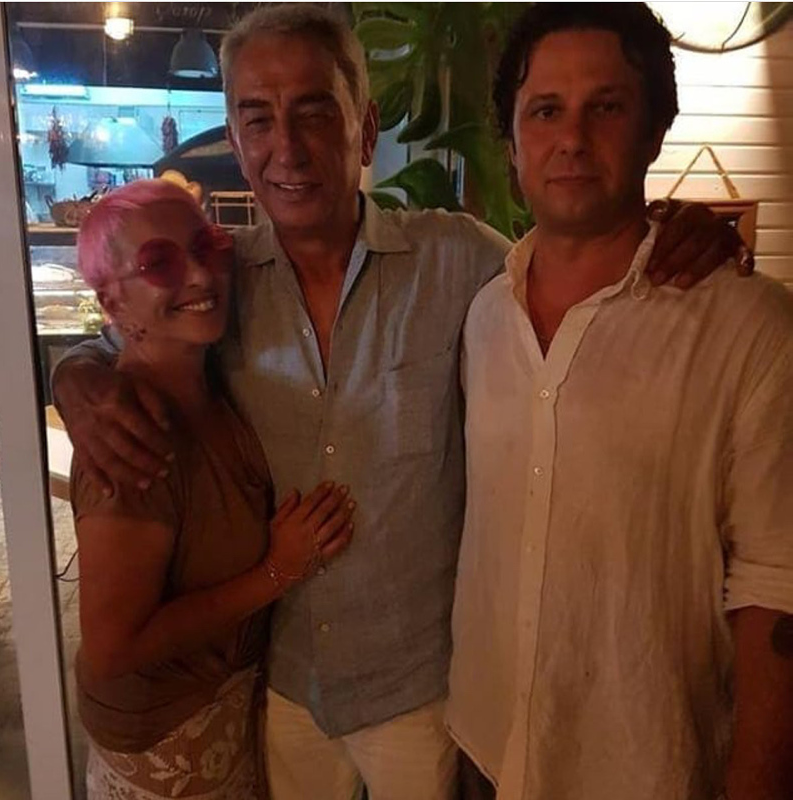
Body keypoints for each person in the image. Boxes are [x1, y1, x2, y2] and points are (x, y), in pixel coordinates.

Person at [53, 6, 751, 799]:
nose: (288, 146)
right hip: (288, 686)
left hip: (417, 690)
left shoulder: (457, 260)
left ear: (365, 127)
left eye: (315, 110)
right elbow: (125, 338)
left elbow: (574, 268)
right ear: (238, 141)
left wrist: (665, 228)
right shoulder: (219, 280)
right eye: (259, 118)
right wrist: (76, 378)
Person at [447, 4, 793, 800]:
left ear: (654, 130)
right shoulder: (484, 316)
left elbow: (776, 588)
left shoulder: (750, 329)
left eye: (605, 107)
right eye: (546, 111)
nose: (571, 138)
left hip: (642, 766)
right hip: (485, 747)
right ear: (512, 143)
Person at [70, 179, 354, 799]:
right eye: (159, 263)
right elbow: (114, 647)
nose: (199, 274)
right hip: (164, 740)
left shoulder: (213, 379)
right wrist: (276, 572)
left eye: (206, 246)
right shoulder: (132, 439)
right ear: (113, 301)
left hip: (227, 717)